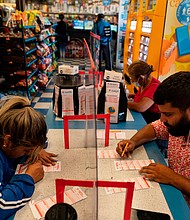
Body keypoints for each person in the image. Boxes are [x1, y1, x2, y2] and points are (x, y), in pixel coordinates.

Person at [116, 71, 190, 206]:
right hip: (172, 196)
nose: (162, 119)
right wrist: (133, 141)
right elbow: (155, 128)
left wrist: (173, 178)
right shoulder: (178, 124)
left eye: (168, 114)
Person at [0, 96, 57, 219]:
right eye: (26, 150)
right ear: (8, 141)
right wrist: (29, 178)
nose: (29, 153)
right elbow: (2, 205)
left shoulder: (12, 134)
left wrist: (37, 148)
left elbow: (37, 138)